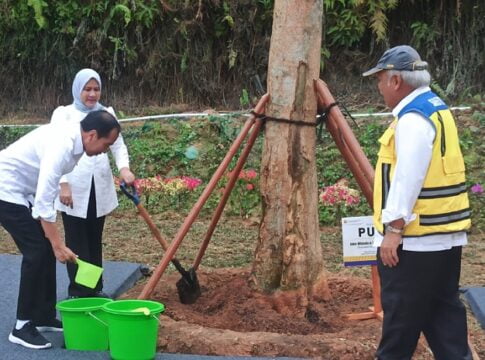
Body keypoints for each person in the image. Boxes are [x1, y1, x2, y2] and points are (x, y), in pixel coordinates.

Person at [363, 45, 472, 359]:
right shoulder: (436, 107)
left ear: (396, 81)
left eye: (381, 79)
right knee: (444, 317)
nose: (379, 87)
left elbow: (407, 177)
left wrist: (394, 229)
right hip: (446, 237)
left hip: (415, 242)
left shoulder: (413, 118)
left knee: (400, 324)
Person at [0, 110, 121, 349]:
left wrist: (54, 243)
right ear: (92, 135)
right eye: (106, 145)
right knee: (37, 251)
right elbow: (45, 201)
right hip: (4, 188)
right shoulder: (62, 146)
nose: (105, 150)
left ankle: (43, 316)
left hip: (24, 191)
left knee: (43, 248)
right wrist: (58, 245)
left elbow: (44, 197)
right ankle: (22, 325)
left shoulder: (76, 139)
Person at [50, 68, 135, 299]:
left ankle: (94, 288)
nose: (92, 94)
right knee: (77, 241)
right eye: (87, 89)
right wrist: (63, 184)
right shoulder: (64, 114)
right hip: (73, 187)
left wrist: (124, 168)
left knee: (94, 240)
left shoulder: (107, 113)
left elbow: (118, 145)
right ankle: (79, 291)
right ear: (78, 89)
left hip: (99, 185)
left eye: (96, 89)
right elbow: (54, 150)